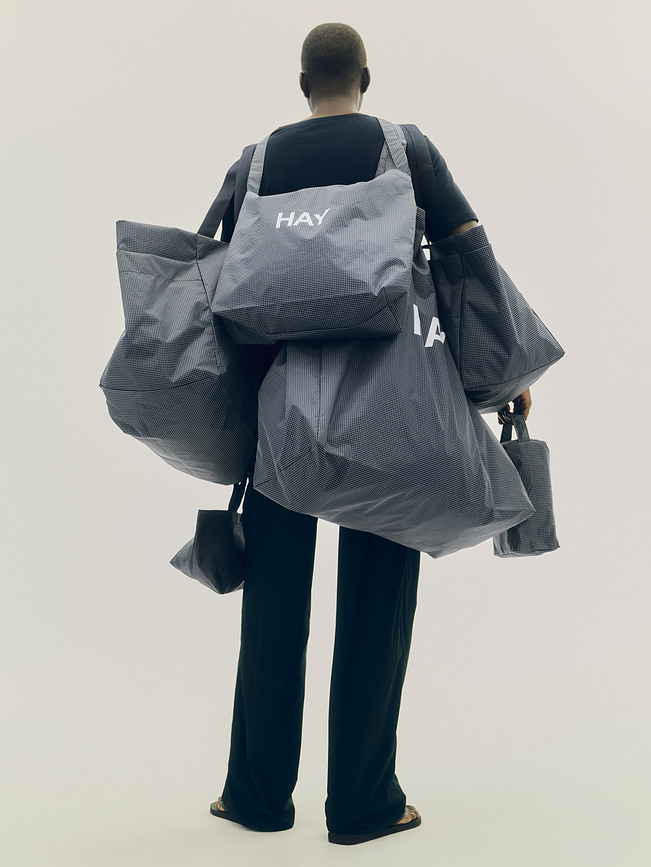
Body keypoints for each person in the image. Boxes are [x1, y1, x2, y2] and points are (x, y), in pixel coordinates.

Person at [209, 22, 532, 846]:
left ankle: (254, 797)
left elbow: (209, 276)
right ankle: (362, 803)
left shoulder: (254, 163)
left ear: (301, 84)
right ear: (364, 77)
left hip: (282, 412)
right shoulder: (405, 148)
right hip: (394, 411)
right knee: (376, 607)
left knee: (272, 606)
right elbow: (468, 261)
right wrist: (506, 373)